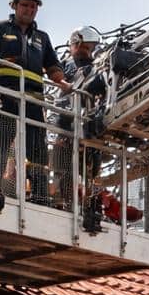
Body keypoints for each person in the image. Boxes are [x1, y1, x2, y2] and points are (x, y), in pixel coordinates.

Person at [0, 0, 72, 204]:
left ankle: (40, 195)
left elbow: (53, 67)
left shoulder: (42, 37)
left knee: (37, 147)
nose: (29, 10)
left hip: (33, 99)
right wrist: (4, 61)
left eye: (33, 6)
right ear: (14, 6)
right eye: (25, 5)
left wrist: (64, 83)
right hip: (3, 93)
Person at [54, 25, 108, 215]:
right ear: (74, 45)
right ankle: (69, 205)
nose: (87, 52)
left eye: (90, 48)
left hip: (86, 126)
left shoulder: (96, 68)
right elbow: (60, 95)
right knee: (65, 170)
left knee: (92, 170)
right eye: (84, 47)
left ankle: (90, 207)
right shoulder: (66, 67)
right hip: (64, 124)